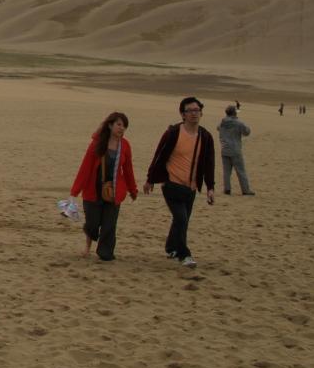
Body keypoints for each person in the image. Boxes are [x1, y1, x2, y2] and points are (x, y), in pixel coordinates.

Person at [144, 96, 216, 268]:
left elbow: (209, 163)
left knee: (181, 220)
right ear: (183, 114)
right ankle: (185, 254)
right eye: (190, 111)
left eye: (197, 110)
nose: (194, 114)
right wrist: (150, 179)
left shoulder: (205, 136)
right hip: (171, 184)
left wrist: (210, 187)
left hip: (190, 187)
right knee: (181, 219)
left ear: (201, 113)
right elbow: (159, 155)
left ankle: (171, 247)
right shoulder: (173, 133)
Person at [69, 112, 138, 261]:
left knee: (109, 225)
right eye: (119, 124)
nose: (122, 128)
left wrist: (133, 190)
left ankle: (105, 253)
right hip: (94, 190)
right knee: (92, 223)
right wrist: (75, 191)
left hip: (114, 191)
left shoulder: (125, 146)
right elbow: (85, 168)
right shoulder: (97, 143)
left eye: (124, 126)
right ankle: (87, 246)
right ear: (110, 125)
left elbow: (128, 170)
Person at [217, 105, 254, 196]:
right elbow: (246, 132)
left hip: (225, 149)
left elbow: (218, 128)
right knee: (241, 171)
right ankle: (245, 190)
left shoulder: (222, 122)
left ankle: (227, 189)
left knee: (226, 171)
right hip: (235, 149)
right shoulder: (238, 123)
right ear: (234, 113)